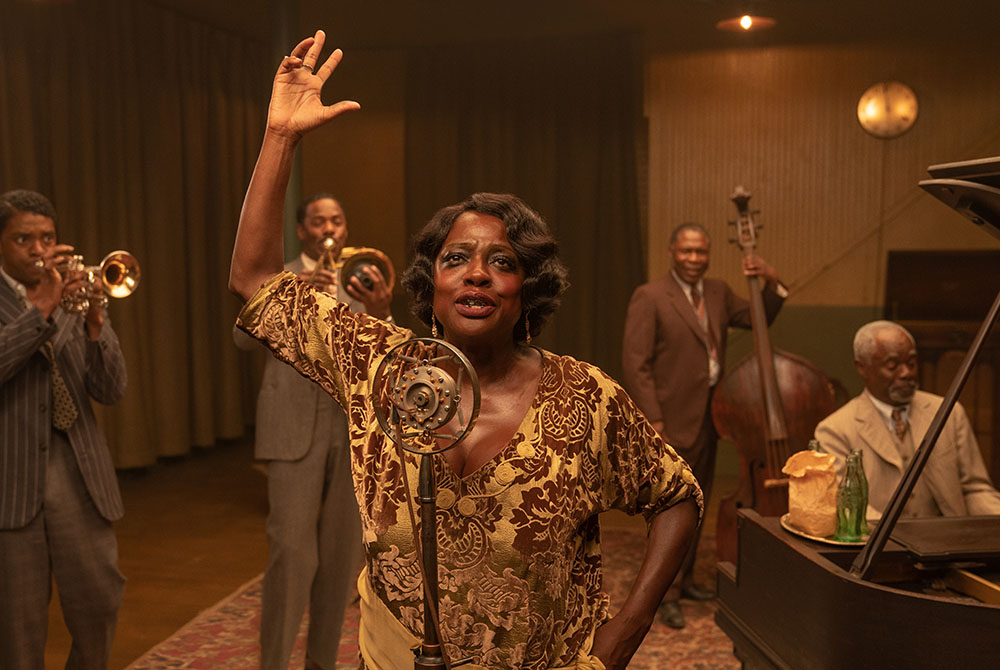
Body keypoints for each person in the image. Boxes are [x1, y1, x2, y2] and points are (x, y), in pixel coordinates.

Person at [229, 31, 702, 670]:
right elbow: (255, 278)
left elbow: (677, 495)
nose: (476, 273)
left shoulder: (584, 397)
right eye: (456, 259)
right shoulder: (380, 366)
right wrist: (281, 138)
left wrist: (629, 626)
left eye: (500, 262)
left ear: (527, 289)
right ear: (433, 284)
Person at [233, 193, 392, 670]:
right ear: (302, 231)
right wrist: (295, 291)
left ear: (346, 229)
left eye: (337, 220)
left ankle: (321, 663)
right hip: (291, 427)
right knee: (291, 553)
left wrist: (382, 311)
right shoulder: (282, 277)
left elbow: (385, 352)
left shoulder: (365, 276)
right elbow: (241, 338)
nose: (330, 228)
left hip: (350, 428)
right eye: (320, 221)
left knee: (343, 558)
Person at [621, 222, 786, 628]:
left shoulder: (718, 293)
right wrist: (654, 420)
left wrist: (771, 281)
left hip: (711, 419)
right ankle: (666, 594)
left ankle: (688, 579)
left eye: (701, 252)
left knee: (698, 505)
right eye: (686, 252)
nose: (694, 259)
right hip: (670, 422)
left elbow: (758, 318)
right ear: (672, 252)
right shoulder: (650, 296)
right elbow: (635, 364)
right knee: (671, 510)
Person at [0, 189, 128, 669]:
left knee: (100, 605)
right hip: (11, 486)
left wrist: (95, 321)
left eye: (47, 237)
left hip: (78, 479)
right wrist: (41, 312)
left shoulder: (75, 295)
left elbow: (111, 388)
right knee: (19, 629)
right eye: (23, 239)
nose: (38, 250)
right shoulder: (50, 299)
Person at [814, 320, 1000, 518]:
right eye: (892, 366)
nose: (906, 373)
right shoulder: (834, 430)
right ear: (862, 367)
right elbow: (845, 506)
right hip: (879, 545)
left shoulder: (949, 413)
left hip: (946, 541)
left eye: (911, 363)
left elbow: (975, 490)